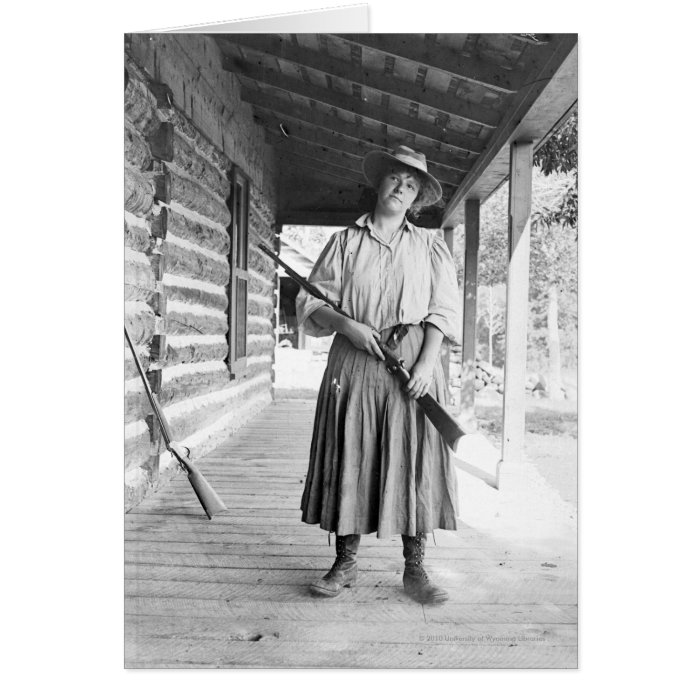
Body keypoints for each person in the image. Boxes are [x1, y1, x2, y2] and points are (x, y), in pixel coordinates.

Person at [295, 145, 460, 605]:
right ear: (379, 182)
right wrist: (347, 325)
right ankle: (344, 564)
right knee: (351, 450)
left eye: (411, 185)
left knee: (415, 458)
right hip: (355, 357)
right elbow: (311, 303)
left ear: (418, 197)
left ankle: (415, 570)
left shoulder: (429, 246)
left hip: (412, 362)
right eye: (394, 178)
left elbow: (442, 312)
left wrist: (426, 366)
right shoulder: (345, 242)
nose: (400, 188)